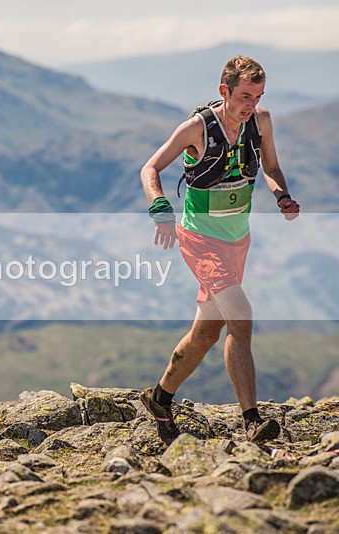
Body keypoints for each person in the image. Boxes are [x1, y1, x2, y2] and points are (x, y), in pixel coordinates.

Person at [139, 56, 300, 444]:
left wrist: (283, 197)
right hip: (200, 241)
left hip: (237, 242)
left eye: (257, 96)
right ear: (224, 91)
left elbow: (271, 169)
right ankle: (252, 420)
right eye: (244, 95)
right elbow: (150, 168)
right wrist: (160, 208)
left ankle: (160, 398)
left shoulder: (260, 122)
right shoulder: (197, 127)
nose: (251, 104)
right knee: (240, 319)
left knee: (207, 332)